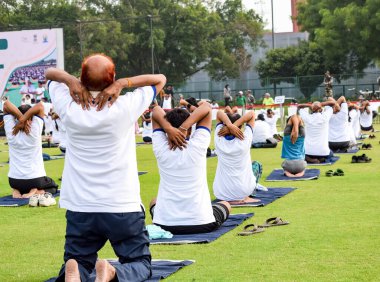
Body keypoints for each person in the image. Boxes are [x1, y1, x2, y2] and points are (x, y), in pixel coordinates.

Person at [46, 53, 166, 282]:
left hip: (80, 205)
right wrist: (123, 84)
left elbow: (49, 74)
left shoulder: (69, 105)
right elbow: (160, 79)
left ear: (81, 78)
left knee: (78, 258)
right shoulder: (125, 105)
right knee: (139, 263)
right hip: (121, 204)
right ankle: (113, 271)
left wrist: (71, 82)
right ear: (112, 79)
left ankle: (74, 270)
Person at [149, 102, 231, 234]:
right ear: (191, 130)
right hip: (202, 223)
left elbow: (156, 110)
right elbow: (206, 108)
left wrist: (170, 129)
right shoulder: (198, 144)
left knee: (154, 201)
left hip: (164, 224)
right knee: (226, 204)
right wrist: (184, 127)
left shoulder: (161, 147)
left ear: (166, 129)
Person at [3, 100, 58, 200]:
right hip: (35, 180)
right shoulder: (34, 130)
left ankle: (16, 190)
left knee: (22, 185)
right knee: (53, 186)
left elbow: (6, 104)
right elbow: (40, 106)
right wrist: (23, 119)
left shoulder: (11, 130)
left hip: (14, 181)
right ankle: (36, 191)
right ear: (32, 117)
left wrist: (20, 119)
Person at [213, 109, 262, 204]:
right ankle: (247, 197)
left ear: (223, 126)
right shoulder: (245, 139)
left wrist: (229, 126)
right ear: (241, 126)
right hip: (244, 191)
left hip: (222, 193)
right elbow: (252, 114)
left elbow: (219, 113)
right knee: (257, 165)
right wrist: (233, 126)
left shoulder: (218, 137)